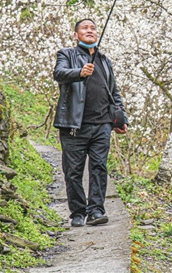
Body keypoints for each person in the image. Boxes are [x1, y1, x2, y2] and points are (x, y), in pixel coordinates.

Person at [53, 18, 128, 227]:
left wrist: (121, 118)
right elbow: (59, 74)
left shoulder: (104, 61)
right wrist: (79, 72)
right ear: (76, 35)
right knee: (73, 171)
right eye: (84, 28)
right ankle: (78, 212)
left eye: (93, 28)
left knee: (99, 168)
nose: (90, 31)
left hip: (102, 124)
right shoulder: (66, 54)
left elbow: (114, 92)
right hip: (74, 126)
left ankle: (96, 211)